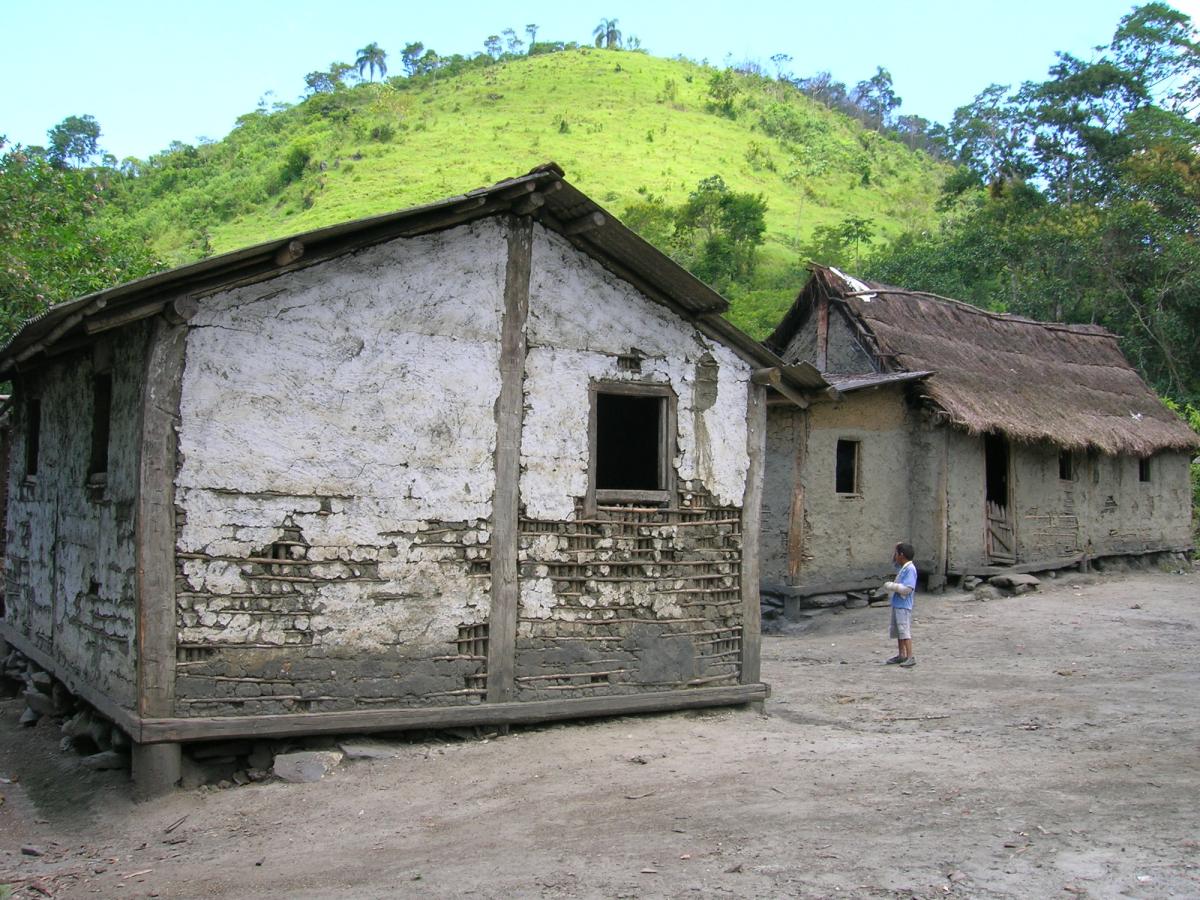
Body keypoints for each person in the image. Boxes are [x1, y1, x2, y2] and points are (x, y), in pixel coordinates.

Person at [883, 542, 918, 668]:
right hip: (898, 604)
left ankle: (910, 656)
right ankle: (901, 655)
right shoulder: (904, 567)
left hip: (903, 605)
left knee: (904, 631)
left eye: (897, 554)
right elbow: (894, 562)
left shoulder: (910, 569)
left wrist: (892, 586)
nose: (895, 556)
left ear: (902, 555)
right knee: (899, 631)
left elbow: (908, 589)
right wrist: (896, 547)